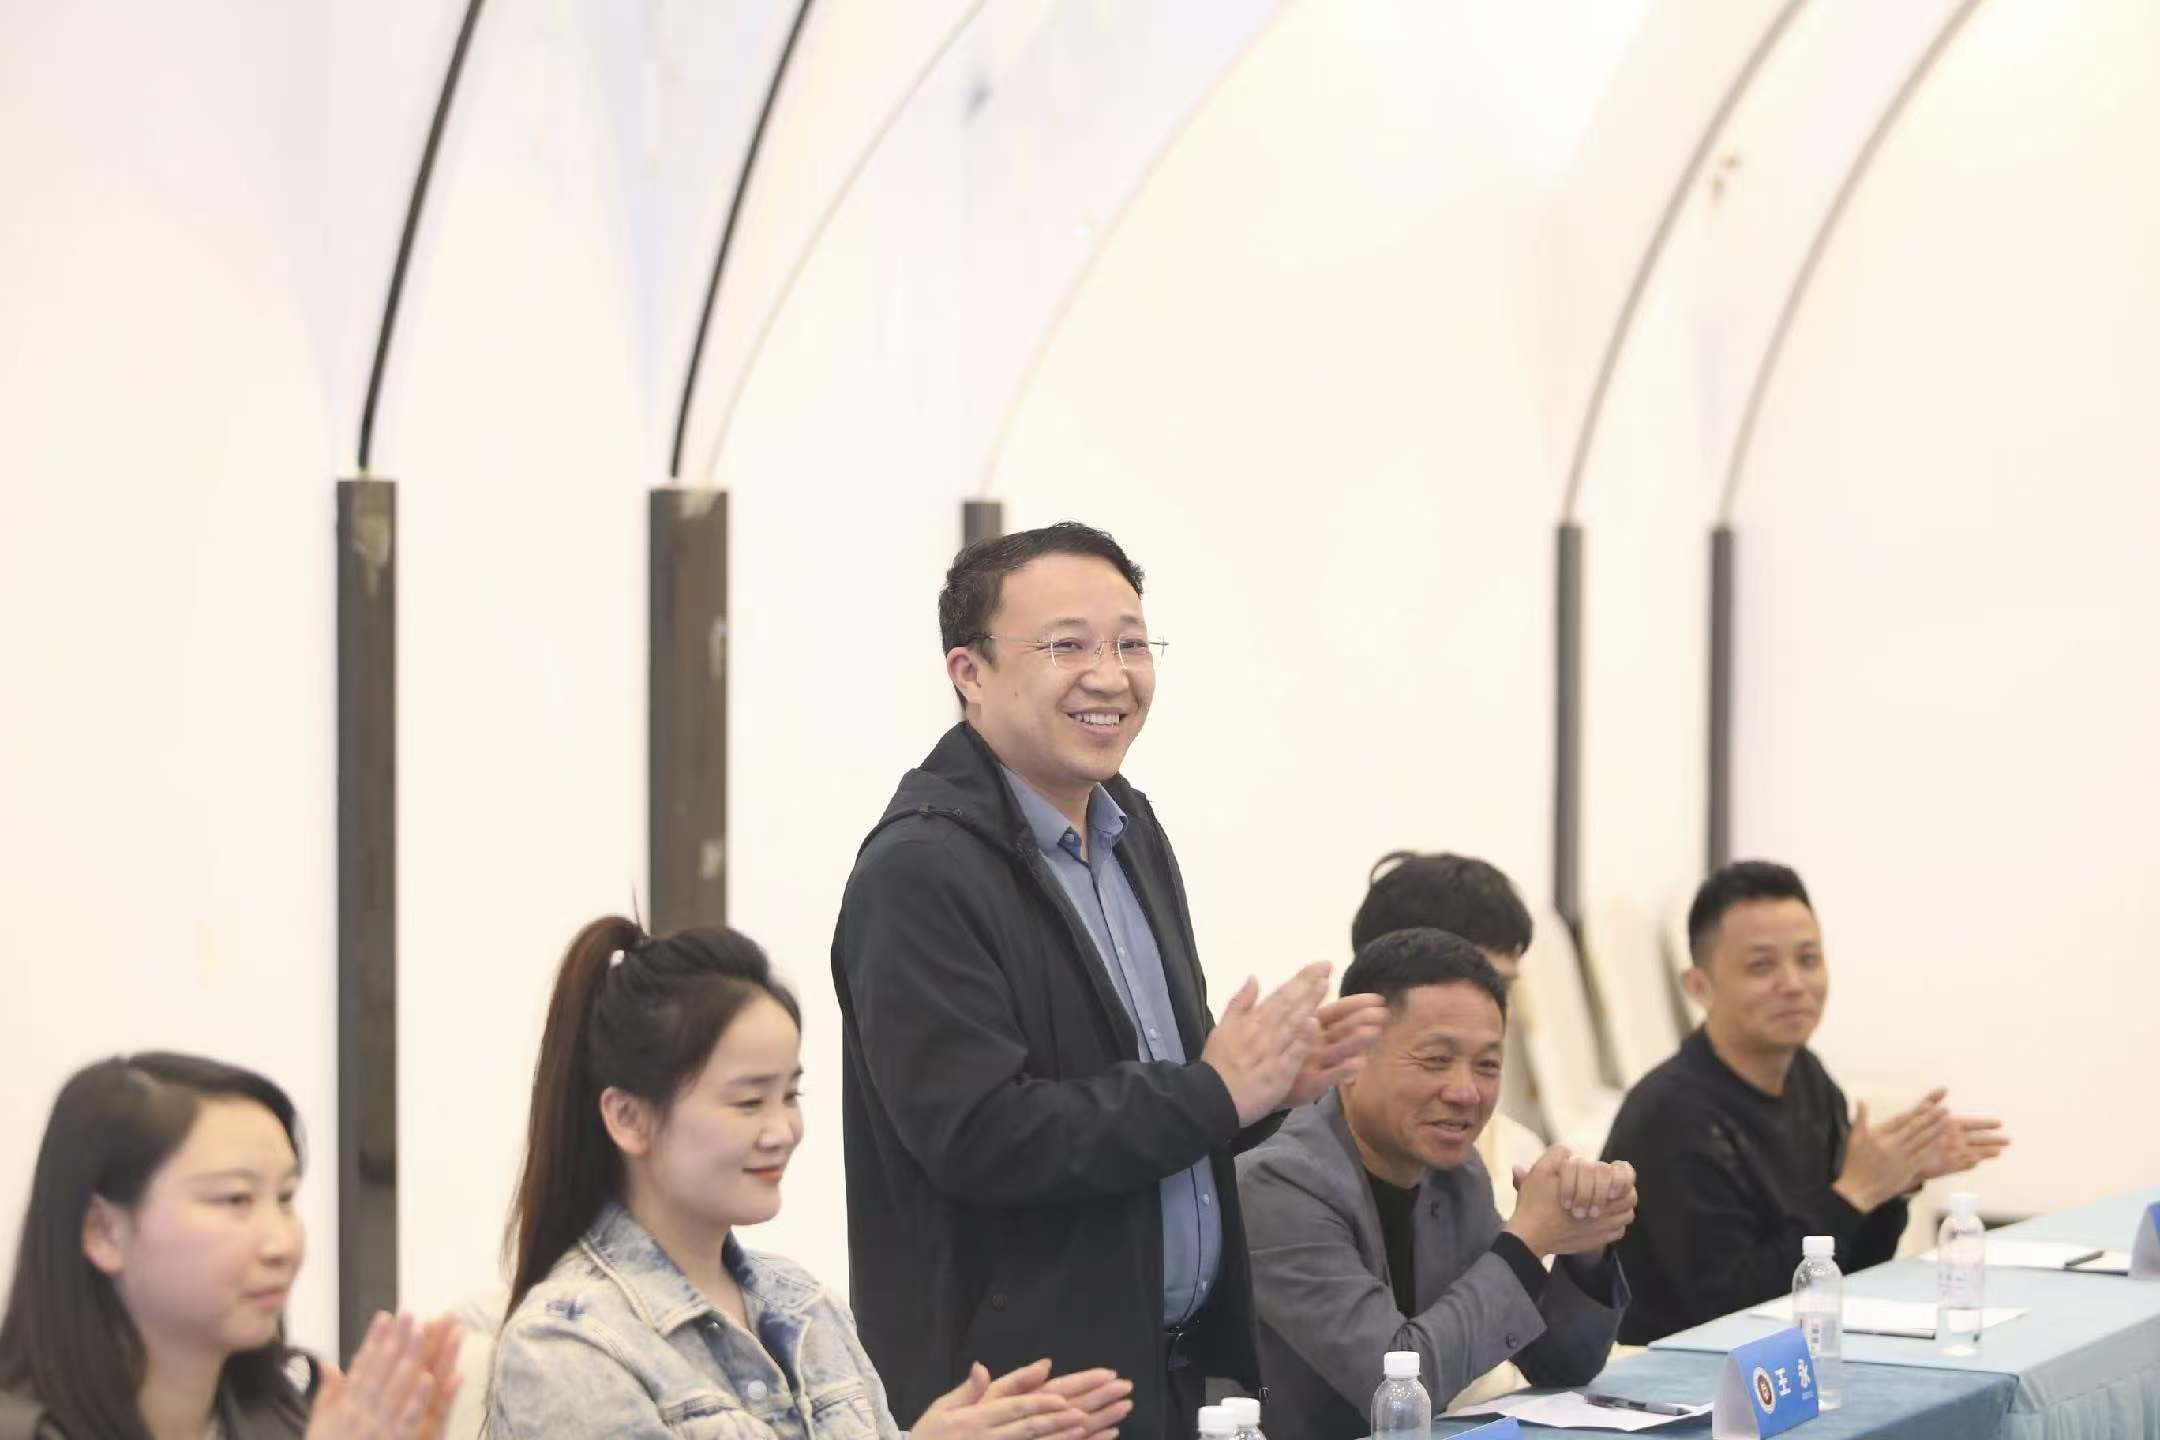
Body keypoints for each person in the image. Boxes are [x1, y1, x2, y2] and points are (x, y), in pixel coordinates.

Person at [831, 522, 1389, 1440]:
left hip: (1168, 1375)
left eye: (1131, 644)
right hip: (1021, 1401)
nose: (1110, 676)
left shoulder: (1129, 827)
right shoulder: (920, 871)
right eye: (1067, 647)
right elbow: (981, 1135)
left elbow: (1161, 1092)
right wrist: (1213, 1092)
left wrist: (1261, 1091)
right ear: (969, 673)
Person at [490, 915, 1133, 1440]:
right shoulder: (567, 1347)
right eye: (748, 1101)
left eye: (790, 1095)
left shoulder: (804, 1304)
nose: (782, 1130)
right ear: (629, 1118)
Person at [1237, 929, 1633, 1440]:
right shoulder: (1279, 1184)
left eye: (1488, 1065)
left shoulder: (1456, 1174)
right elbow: (1396, 1386)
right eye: (1435, 1060)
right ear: (1352, 1062)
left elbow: (1562, 1364)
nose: (1466, 1092)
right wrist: (1527, 1240)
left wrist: (1584, 1243)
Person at [1601, 861, 2011, 1343]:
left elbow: (1847, 1268)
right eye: (1761, 966)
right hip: (1685, 1369)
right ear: (1699, 987)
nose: (1794, 984)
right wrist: (1854, 1193)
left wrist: (1890, 1187)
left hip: (1793, 1351)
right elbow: (1728, 1308)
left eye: (1808, 959)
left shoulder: (1808, 1078)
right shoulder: (1672, 1115)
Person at [0, 1052, 461, 1440]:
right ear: (103, 1232)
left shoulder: (298, 1418)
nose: (283, 1244)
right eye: (235, 1199)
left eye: (285, 1197)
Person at [1351, 852, 1548, 1216]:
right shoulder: (1299, 1174)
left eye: (1504, 989)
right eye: (1483, 986)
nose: (1500, 1015)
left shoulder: (1521, 1153)